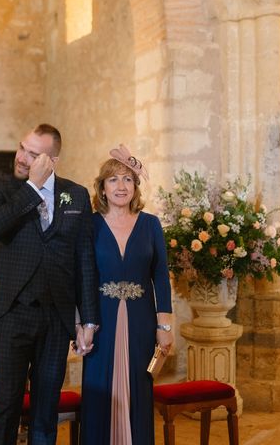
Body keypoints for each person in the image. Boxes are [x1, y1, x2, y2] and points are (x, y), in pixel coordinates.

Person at [0, 124, 99, 445]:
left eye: (32, 154)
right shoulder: (3, 189)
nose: (21, 157)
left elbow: (84, 259)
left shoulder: (75, 195)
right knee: (6, 402)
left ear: (52, 161)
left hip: (56, 321)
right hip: (13, 314)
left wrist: (88, 319)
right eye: (22, 148)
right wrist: (32, 185)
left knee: (46, 409)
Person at [80, 145, 174, 445]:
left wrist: (165, 326)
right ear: (102, 188)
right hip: (100, 321)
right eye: (113, 180)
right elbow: (81, 276)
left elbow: (160, 276)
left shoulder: (151, 225)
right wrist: (81, 323)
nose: (121, 186)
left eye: (128, 179)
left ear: (135, 187)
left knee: (138, 389)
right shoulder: (89, 225)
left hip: (142, 322)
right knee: (99, 389)